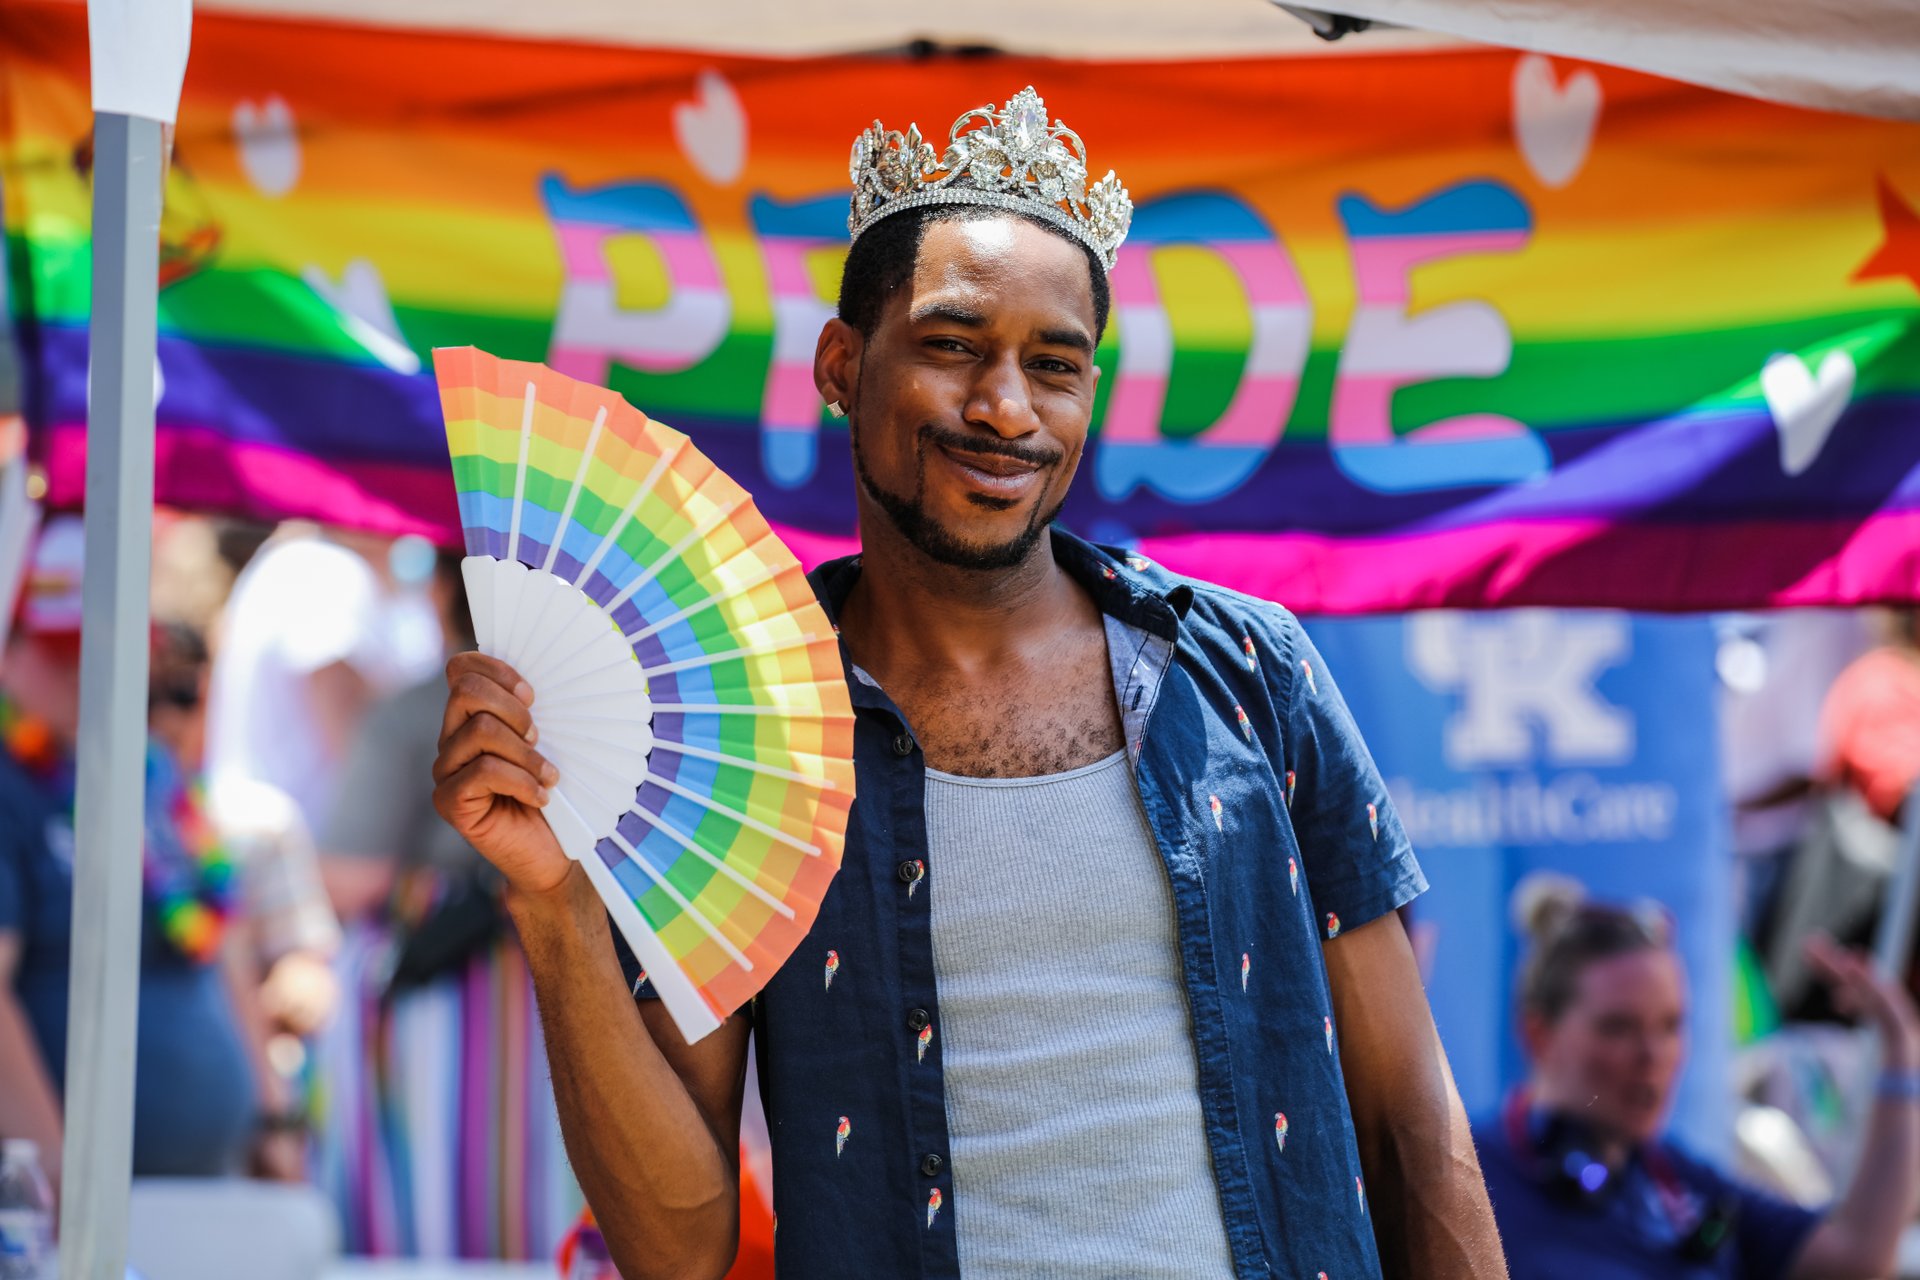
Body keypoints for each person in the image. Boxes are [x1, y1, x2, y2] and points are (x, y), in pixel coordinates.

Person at [434, 88, 1505, 1279]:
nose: (1006, 409)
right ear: (842, 362)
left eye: (1055, 367)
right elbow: (682, 1248)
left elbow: (1415, 1125)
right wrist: (553, 905)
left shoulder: (1252, 672)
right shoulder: (743, 728)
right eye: (953, 346)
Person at [0, 517, 272, 1180]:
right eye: (62, 651)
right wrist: (61, 1184)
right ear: (10, 649)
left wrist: (273, 1115)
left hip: (210, 1186)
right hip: (89, 1213)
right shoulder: (9, 783)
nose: (86, 671)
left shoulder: (155, 770)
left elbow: (219, 939)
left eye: (108, 646)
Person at [1474, 878, 1920, 1279]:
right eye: (1618, 1027)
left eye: (1670, 1026)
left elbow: (1855, 1258)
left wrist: (1901, 1052)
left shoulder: (1674, 1178)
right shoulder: (1470, 1180)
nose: (1652, 1055)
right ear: (1538, 1033)